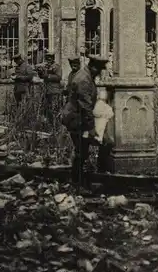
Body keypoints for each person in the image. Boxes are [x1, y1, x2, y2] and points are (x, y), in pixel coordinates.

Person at [61, 54, 110, 187]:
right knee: (82, 150)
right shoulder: (84, 79)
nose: (100, 73)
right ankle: (77, 182)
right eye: (99, 70)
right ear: (93, 67)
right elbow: (85, 106)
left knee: (84, 149)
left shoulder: (87, 75)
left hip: (78, 117)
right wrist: (91, 128)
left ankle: (83, 179)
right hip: (76, 118)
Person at [37, 51, 62, 124]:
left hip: (54, 91)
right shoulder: (45, 66)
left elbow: (59, 77)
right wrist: (40, 72)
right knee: (46, 108)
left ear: (53, 58)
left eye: (50, 58)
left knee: (54, 109)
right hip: (46, 90)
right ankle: (48, 124)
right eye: (47, 58)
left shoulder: (57, 66)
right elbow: (42, 76)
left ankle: (56, 124)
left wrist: (48, 76)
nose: (48, 59)